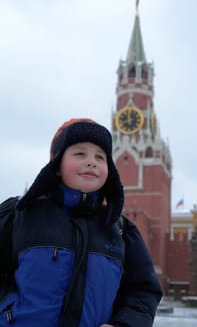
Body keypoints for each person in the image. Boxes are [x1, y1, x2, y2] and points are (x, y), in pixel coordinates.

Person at [0, 118, 163, 327]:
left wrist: (126, 323)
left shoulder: (120, 230)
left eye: (100, 157)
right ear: (57, 165)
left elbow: (142, 290)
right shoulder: (21, 214)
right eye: (79, 154)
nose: (91, 161)